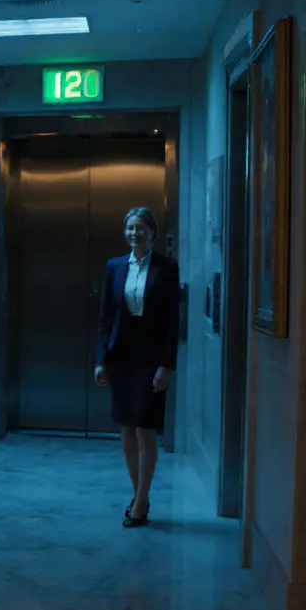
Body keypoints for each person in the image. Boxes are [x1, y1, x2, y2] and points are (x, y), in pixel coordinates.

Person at [94, 207, 180, 528]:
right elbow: (105, 318)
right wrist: (101, 359)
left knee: (146, 429)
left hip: (151, 359)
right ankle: (138, 495)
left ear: (152, 232)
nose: (135, 234)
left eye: (141, 228)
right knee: (127, 428)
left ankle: (141, 499)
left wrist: (166, 366)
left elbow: (173, 322)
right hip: (122, 358)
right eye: (130, 228)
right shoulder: (114, 267)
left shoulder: (167, 268)